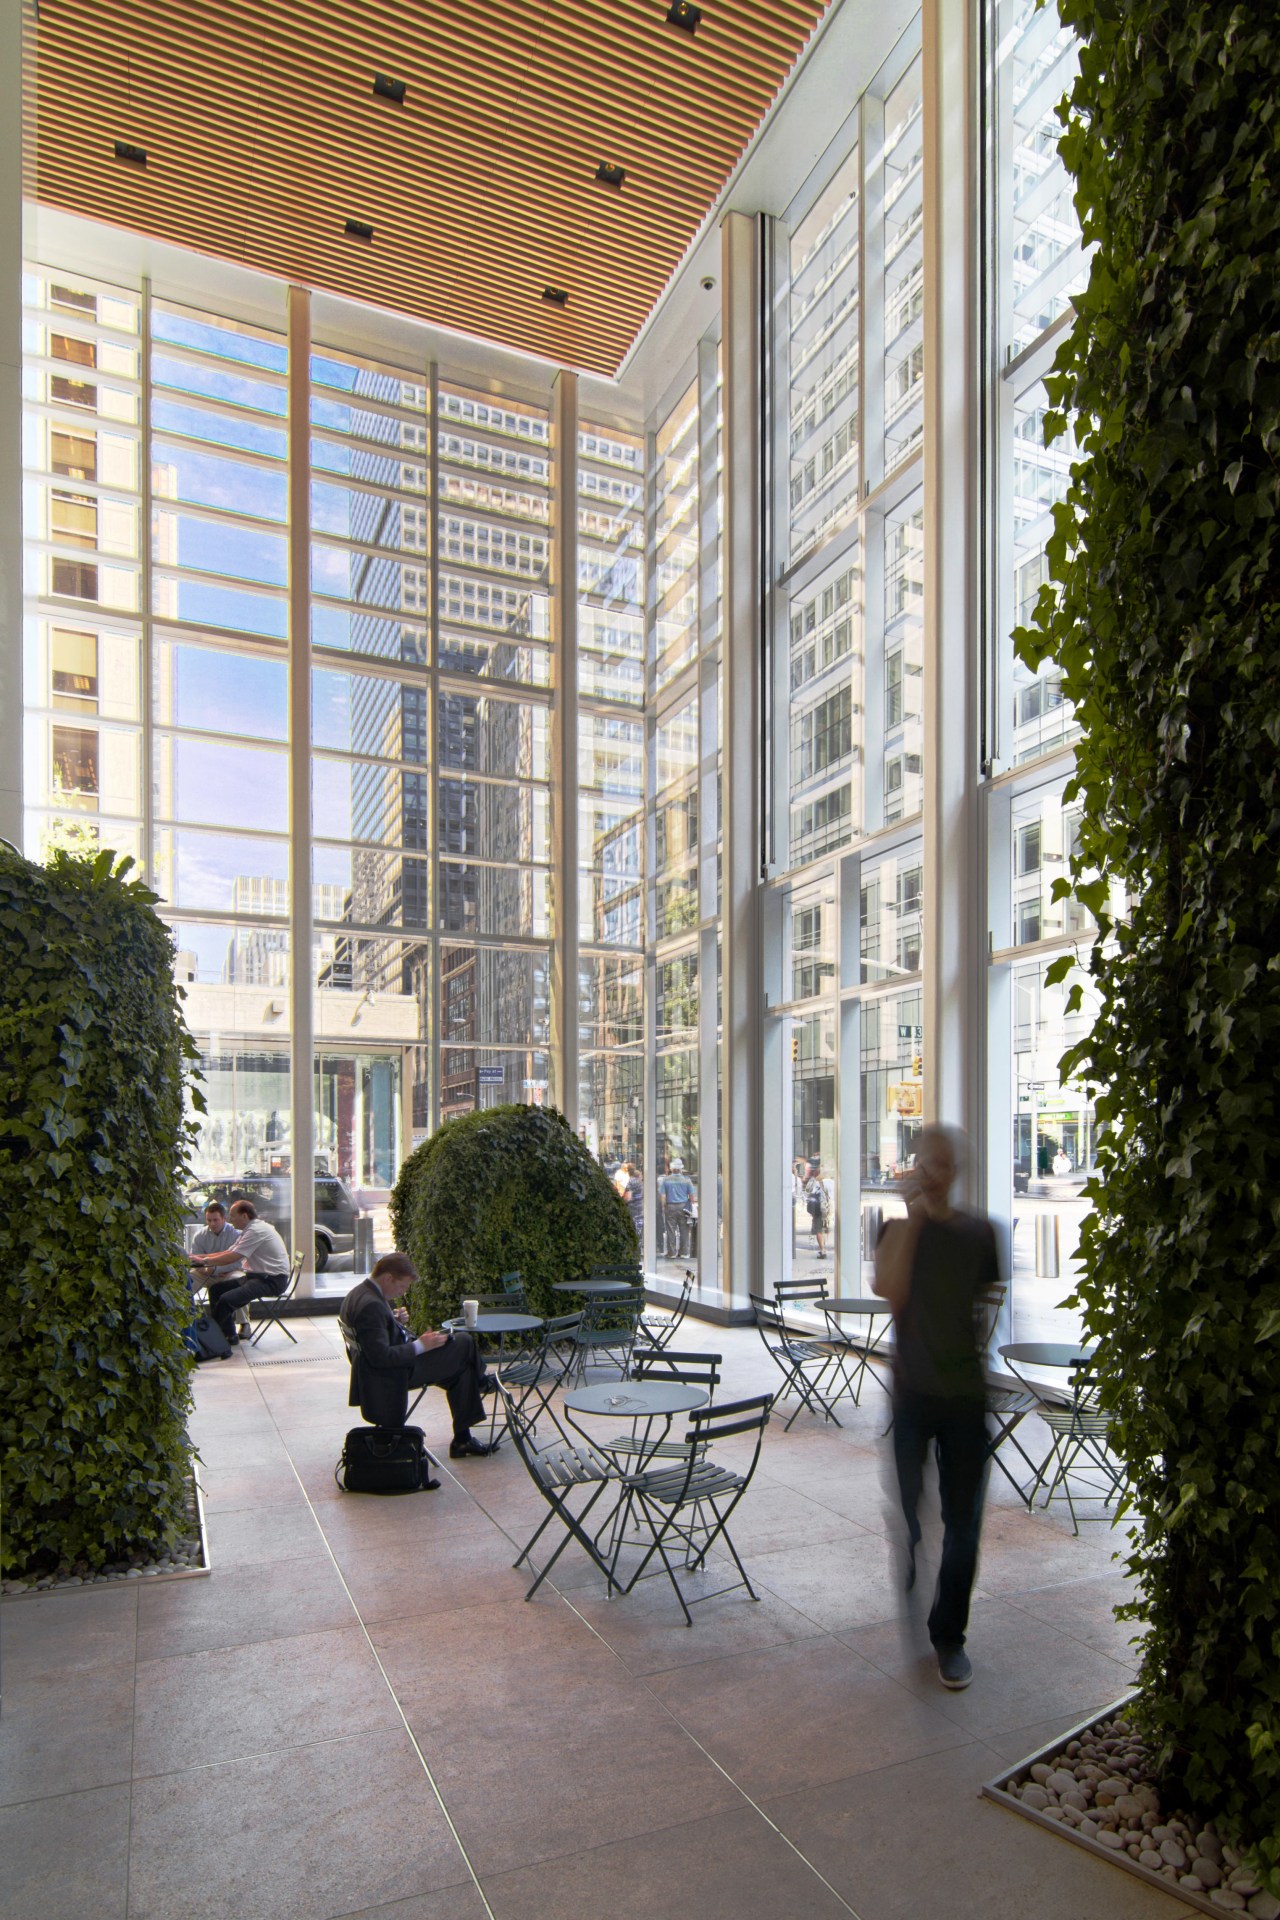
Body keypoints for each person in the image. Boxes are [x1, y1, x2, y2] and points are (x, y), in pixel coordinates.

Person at [873, 1124, 998, 1692]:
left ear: (957, 1169)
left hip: (966, 1398)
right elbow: (887, 1287)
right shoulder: (899, 1229)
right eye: (928, 1163)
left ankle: (950, 1636)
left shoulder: (981, 1234)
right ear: (917, 1167)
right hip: (913, 1393)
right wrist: (915, 1219)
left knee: (963, 1524)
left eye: (945, 1164)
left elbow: (986, 1315)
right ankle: (914, 1554)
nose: (936, 1173)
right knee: (910, 1510)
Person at [341, 1251, 496, 1459]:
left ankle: (463, 1439)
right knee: (463, 1341)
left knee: (462, 1370)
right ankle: (482, 1383)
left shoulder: (360, 1293)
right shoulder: (372, 1305)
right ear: (388, 1278)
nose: (401, 1293)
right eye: (402, 1286)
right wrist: (421, 1346)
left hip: (379, 1370)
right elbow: (381, 1357)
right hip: (391, 1374)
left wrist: (393, 1321)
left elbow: (374, 1335)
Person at [190, 1198, 291, 1344]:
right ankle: (229, 1335)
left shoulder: (256, 1231)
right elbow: (230, 1251)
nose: (230, 1219)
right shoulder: (251, 1229)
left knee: (226, 1300)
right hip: (258, 1277)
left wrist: (205, 1261)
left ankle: (212, 1339)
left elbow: (233, 1257)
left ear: (244, 1216)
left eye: (232, 1216)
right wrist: (197, 1257)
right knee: (216, 1290)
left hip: (271, 1280)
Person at [186, 1199, 239, 1296]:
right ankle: (187, 1309)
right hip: (206, 1273)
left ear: (224, 1218)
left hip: (229, 1273)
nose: (212, 1224)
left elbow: (238, 1262)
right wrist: (208, 1270)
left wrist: (217, 1270)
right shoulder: (199, 1235)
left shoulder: (236, 1234)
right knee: (187, 1278)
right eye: (209, 1220)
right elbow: (196, 1260)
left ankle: (240, 1311)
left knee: (239, 1282)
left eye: (215, 1220)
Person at [660, 1158, 696, 1260]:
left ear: (671, 1169)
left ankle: (671, 1253)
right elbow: (692, 1197)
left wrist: (664, 1206)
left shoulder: (666, 1180)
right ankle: (684, 1252)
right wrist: (690, 1204)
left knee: (671, 1230)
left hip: (670, 1206)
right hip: (684, 1206)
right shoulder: (687, 1180)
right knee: (684, 1230)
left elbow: (662, 1195)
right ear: (680, 1169)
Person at [803, 1163, 830, 1259]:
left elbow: (806, 1193)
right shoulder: (828, 1182)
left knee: (818, 1230)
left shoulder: (813, 1181)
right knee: (825, 1228)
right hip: (826, 1208)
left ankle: (822, 1249)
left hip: (817, 1208)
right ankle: (824, 1247)